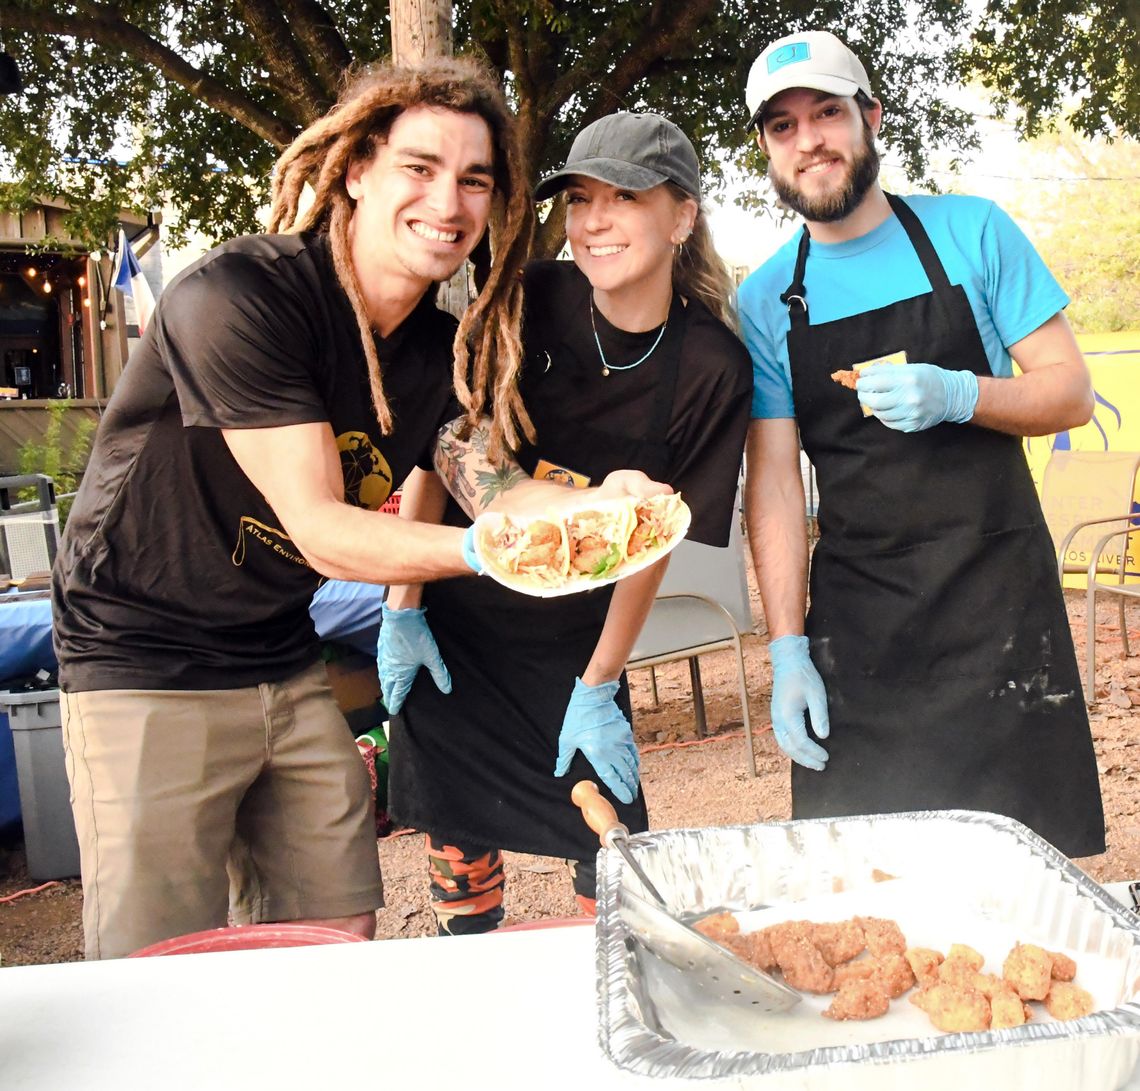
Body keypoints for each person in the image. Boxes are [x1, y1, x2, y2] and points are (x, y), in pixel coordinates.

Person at [52, 58, 666, 961]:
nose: (448, 201)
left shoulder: (432, 352)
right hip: (140, 654)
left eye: (473, 179)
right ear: (355, 171)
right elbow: (323, 529)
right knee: (158, 966)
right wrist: (496, 553)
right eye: (419, 168)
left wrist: (601, 499)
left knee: (337, 933)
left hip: (276, 650)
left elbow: (489, 481)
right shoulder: (240, 300)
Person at [379, 112, 753, 933]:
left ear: (682, 215)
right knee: (460, 869)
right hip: (456, 631)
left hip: (579, 646)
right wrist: (402, 608)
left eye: (623, 197)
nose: (593, 221)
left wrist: (601, 681)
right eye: (581, 199)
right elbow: (443, 442)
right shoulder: (529, 298)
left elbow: (650, 543)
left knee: (613, 880)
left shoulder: (710, 367)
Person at [737, 30, 1105, 858]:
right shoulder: (766, 300)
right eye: (783, 126)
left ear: (870, 118)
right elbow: (776, 489)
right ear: (766, 148)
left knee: (1027, 881)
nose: (810, 141)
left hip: (999, 611)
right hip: (862, 631)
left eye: (827, 113)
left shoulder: (971, 233)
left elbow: (1071, 391)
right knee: (872, 887)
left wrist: (960, 392)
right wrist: (787, 647)